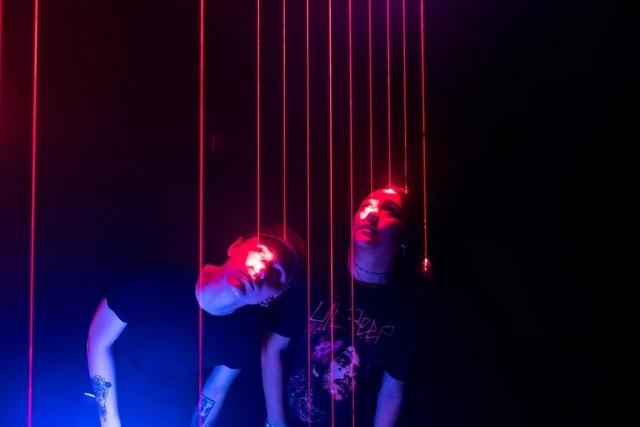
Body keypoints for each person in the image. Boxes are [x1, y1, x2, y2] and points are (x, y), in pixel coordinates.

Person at [87, 226, 304, 427]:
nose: (261, 270)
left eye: (277, 274)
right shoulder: (157, 276)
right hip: (101, 399)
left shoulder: (245, 335)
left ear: (272, 297)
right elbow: (98, 344)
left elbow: (215, 390)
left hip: (162, 411)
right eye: (260, 251)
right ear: (235, 247)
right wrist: (110, 422)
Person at [262, 187, 420, 427]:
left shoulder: (405, 306)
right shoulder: (317, 272)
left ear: (404, 236)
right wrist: (276, 423)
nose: (372, 213)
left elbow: (391, 391)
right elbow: (272, 348)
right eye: (366, 205)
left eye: (389, 210)